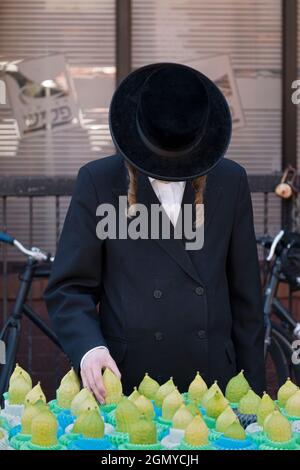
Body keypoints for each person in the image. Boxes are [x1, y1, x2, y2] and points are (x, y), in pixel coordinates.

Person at [44, 63, 265, 403]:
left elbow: (246, 298)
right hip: (127, 382)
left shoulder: (231, 181)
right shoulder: (98, 182)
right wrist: (89, 349)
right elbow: (69, 288)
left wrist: (254, 399)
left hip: (214, 388)